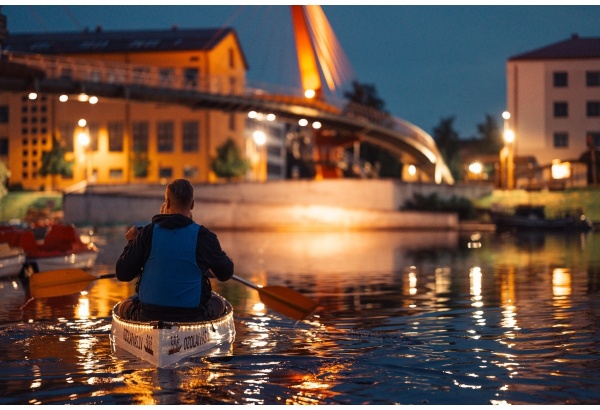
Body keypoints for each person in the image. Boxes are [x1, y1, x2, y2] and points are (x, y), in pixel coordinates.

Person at [115, 179, 234, 322]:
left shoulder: (146, 233)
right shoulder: (204, 237)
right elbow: (226, 273)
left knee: (123, 305)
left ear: (167, 203)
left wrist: (131, 242)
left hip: (148, 316)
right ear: (192, 204)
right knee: (220, 302)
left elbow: (122, 273)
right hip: (191, 317)